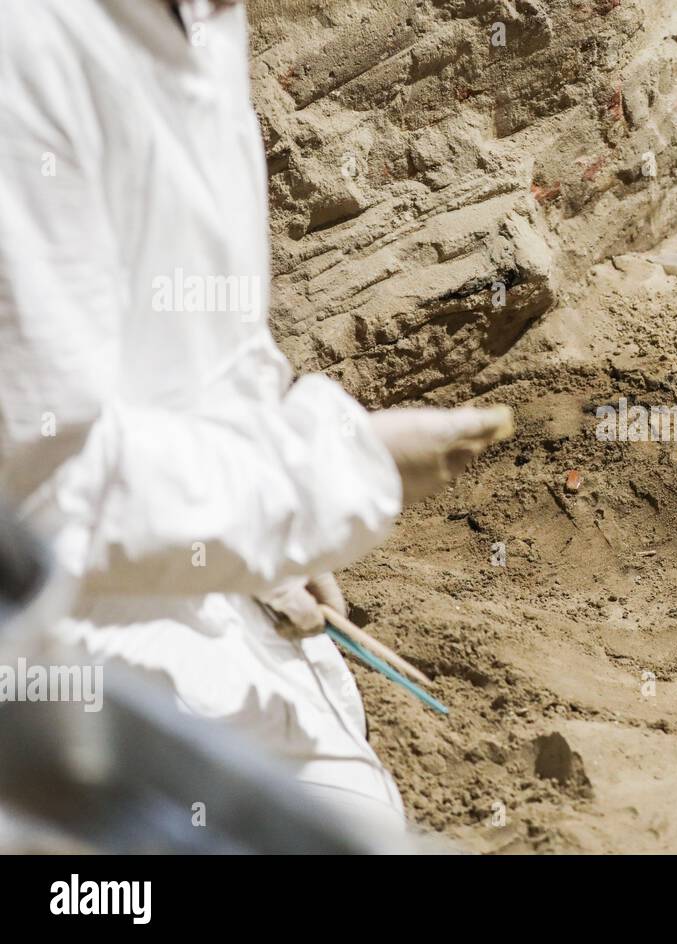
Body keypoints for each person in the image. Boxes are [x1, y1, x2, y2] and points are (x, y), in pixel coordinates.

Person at [0, 0, 508, 828]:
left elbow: (195, 346)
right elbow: (43, 498)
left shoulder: (201, 17)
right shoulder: (25, 50)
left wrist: (262, 542)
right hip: (68, 676)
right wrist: (329, 475)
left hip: (222, 611)